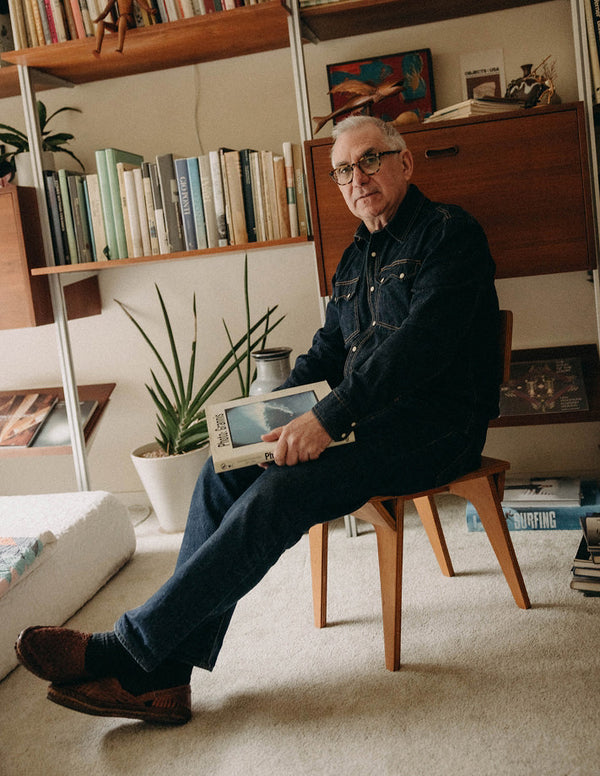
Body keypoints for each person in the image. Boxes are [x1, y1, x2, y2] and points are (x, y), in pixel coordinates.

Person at [15, 115, 500, 726]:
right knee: (222, 475)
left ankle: (132, 651)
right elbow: (327, 352)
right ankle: (165, 681)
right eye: (344, 169)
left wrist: (326, 418)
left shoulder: (451, 233)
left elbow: (421, 349)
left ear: (405, 163)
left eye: (371, 160)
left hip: (438, 427)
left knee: (281, 492)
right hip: (363, 422)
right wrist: (266, 420)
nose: (358, 177)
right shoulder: (353, 259)